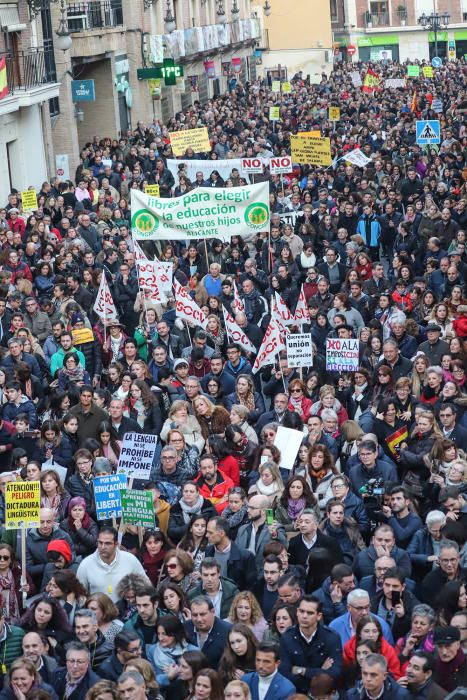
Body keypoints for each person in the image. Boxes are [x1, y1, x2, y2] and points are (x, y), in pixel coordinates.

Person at [279, 595, 342, 693]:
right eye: (301, 611)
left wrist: (301, 671)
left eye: (310, 613)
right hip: (296, 692)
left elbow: (335, 673)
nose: (304, 616)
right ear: (297, 612)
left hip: (323, 693)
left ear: (319, 616)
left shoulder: (332, 637)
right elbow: (284, 673)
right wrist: (321, 671)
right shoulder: (287, 637)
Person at [76, 526, 149, 602]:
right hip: (97, 613)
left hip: (126, 612)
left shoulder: (130, 560)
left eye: (107, 543)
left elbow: (146, 586)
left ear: (116, 544)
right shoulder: (85, 565)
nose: (103, 547)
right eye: (100, 543)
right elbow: (80, 596)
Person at [329, 589, 394, 646]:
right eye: (359, 608)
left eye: (367, 607)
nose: (364, 612)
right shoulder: (335, 626)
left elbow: (389, 654)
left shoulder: (382, 625)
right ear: (349, 608)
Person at [185, 595, 232, 668]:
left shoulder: (227, 631)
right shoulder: (186, 628)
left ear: (213, 612)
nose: (199, 619)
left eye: (203, 614)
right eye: (194, 615)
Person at [345, 653, 410, 700]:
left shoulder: (401, 696)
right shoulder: (351, 696)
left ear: (384, 676)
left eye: (373, 675)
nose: (368, 679)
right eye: (365, 674)